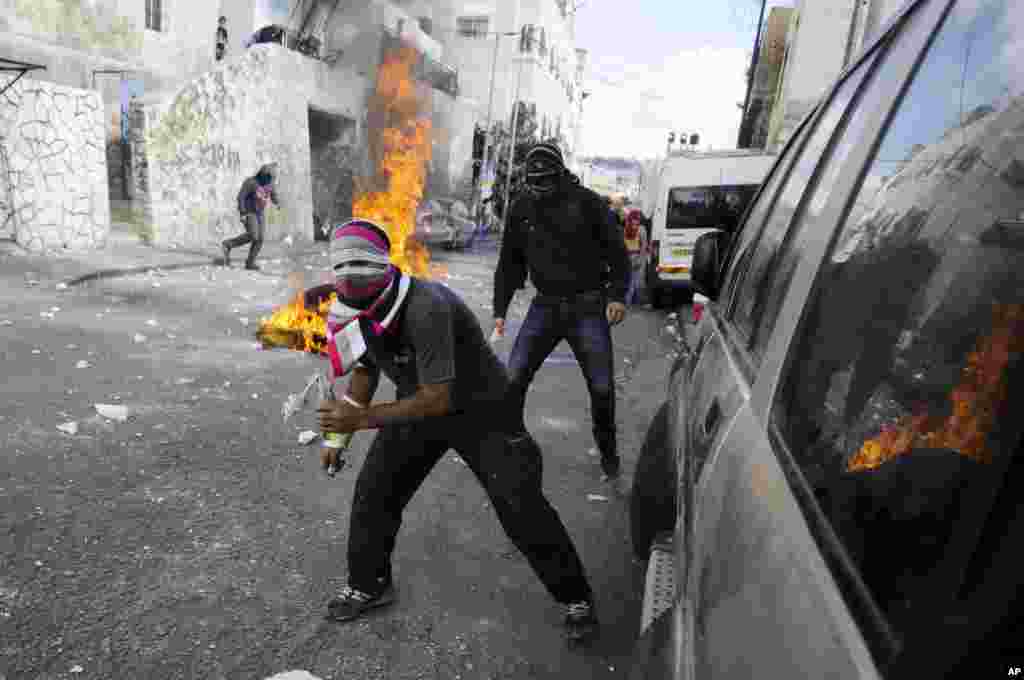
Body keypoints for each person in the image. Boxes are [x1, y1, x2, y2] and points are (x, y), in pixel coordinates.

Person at [310, 219, 599, 643]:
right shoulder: (351, 306)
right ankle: (369, 584)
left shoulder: (426, 307)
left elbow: (437, 401)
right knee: (376, 490)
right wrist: (339, 435)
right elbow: (366, 372)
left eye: (358, 282)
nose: (350, 298)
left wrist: (361, 420)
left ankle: (576, 597)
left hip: (481, 408)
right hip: (419, 402)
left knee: (518, 505)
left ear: (380, 278)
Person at [492, 142, 630, 480]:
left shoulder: (588, 204)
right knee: (512, 380)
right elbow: (509, 263)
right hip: (546, 306)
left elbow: (618, 254)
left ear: (559, 175)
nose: (539, 190)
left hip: (588, 307)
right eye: (533, 183)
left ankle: (608, 454)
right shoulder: (522, 208)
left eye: (545, 182)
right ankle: (509, 445)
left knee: (601, 388)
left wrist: (616, 296)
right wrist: (500, 309)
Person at [223, 164, 279, 270]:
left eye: (271, 179)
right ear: (262, 175)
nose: (269, 181)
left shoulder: (270, 183)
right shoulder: (251, 182)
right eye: (268, 178)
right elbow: (241, 197)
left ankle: (250, 262)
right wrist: (242, 212)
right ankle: (228, 244)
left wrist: (276, 201)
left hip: (260, 213)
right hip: (249, 212)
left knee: (260, 238)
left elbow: (273, 193)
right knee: (254, 235)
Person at [623, 208, 649, 306]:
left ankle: (634, 301)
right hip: (628, 257)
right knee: (631, 281)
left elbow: (643, 246)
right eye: (635, 218)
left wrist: (639, 260)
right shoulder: (626, 228)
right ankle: (630, 301)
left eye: (638, 219)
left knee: (636, 281)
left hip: (636, 257)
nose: (636, 222)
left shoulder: (641, 229)